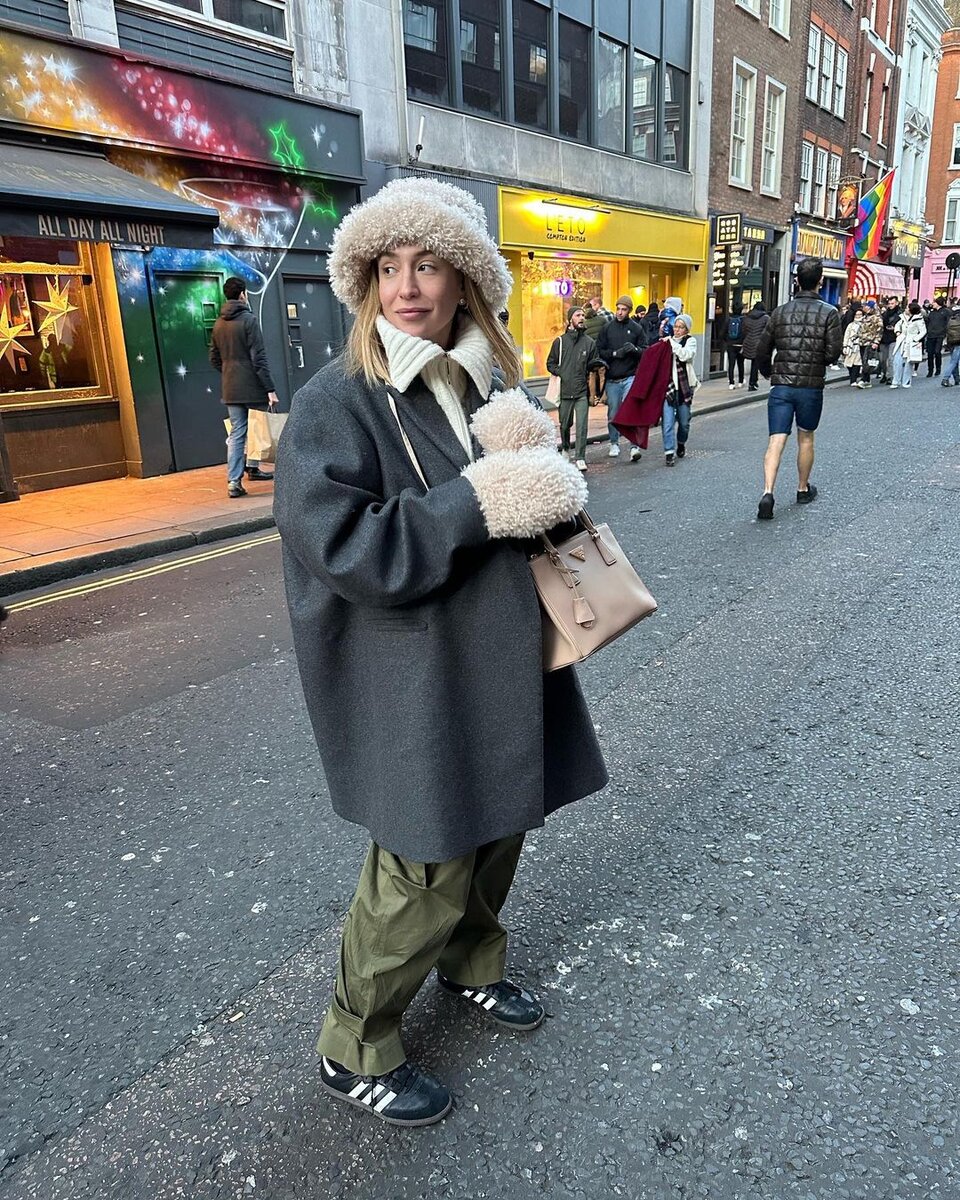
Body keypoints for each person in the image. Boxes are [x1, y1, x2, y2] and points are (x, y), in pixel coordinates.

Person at [274, 178, 607, 1128]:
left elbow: (529, 516)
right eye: (388, 266)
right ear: (365, 279)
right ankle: (356, 1041)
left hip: (502, 661)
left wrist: (542, 476)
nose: (407, 287)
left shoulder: (484, 385)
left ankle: (470, 968)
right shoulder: (336, 400)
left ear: (465, 278)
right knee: (422, 861)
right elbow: (344, 548)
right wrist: (479, 500)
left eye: (426, 264)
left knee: (500, 827)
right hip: (413, 676)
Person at [753, 257, 842, 520]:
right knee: (806, 437)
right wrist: (818, 360)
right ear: (820, 281)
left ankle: (767, 491)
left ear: (796, 280)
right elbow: (833, 351)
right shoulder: (829, 313)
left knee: (776, 440)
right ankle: (802, 488)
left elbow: (762, 349)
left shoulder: (780, 312)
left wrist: (769, 372)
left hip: (781, 385)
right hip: (810, 386)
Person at [209, 277, 279, 498]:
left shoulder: (218, 323)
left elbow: (213, 358)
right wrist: (270, 388)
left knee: (238, 433)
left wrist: (229, 372)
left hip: (230, 387)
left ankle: (234, 480)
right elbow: (259, 358)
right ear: (242, 295)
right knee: (257, 427)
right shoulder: (249, 320)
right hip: (252, 385)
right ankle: (253, 467)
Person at [547, 306, 599, 471]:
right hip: (564, 392)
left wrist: (597, 365)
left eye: (583, 315)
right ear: (570, 320)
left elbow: (593, 364)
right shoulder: (560, 342)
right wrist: (560, 372)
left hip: (581, 392)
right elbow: (550, 363)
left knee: (582, 425)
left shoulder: (589, 343)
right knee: (564, 424)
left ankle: (580, 457)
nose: (582, 317)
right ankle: (565, 448)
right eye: (578, 315)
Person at [596, 295, 645, 462]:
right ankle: (614, 442)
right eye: (618, 308)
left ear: (629, 311)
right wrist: (615, 354)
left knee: (630, 410)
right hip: (612, 378)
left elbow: (645, 351)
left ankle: (633, 445)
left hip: (630, 376)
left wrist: (635, 350)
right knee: (613, 413)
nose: (620, 312)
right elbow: (600, 350)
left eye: (624, 309)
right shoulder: (607, 328)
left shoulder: (637, 329)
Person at [662, 315, 698, 466]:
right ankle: (669, 452)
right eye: (675, 326)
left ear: (687, 329)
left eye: (681, 327)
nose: (677, 330)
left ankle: (681, 442)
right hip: (668, 388)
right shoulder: (666, 342)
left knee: (684, 423)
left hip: (684, 388)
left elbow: (685, 355)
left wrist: (671, 343)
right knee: (668, 422)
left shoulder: (691, 341)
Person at [890, 302, 926, 389]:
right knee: (897, 361)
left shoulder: (919, 320)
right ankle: (895, 381)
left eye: (907, 308)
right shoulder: (902, 317)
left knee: (908, 363)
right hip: (902, 341)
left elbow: (923, 331)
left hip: (911, 342)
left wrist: (915, 339)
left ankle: (906, 381)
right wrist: (898, 332)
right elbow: (897, 325)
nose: (905, 309)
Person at [741, 301, 769, 391]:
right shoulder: (766, 318)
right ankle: (752, 383)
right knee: (755, 364)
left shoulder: (747, 317)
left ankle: (742, 381)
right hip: (759, 343)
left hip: (747, 342)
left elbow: (744, 330)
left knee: (751, 362)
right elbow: (768, 332)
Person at [856, 299, 883, 388]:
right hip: (862, 342)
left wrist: (876, 342)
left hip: (870, 342)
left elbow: (879, 330)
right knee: (864, 361)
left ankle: (864, 379)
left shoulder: (877, 317)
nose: (865, 307)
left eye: (867, 306)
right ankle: (867, 380)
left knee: (867, 361)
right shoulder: (865, 317)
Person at [877, 296, 901, 383]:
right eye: (889, 304)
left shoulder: (900, 314)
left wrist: (895, 328)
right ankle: (884, 374)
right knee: (883, 360)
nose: (890, 305)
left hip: (894, 338)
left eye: (892, 303)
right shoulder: (885, 314)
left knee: (891, 359)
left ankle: (890, 376)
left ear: (897, 303)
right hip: (884, 338)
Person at [924, 296, 948, 378]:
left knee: (937, 352)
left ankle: (938, 368)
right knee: (930, 353)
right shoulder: (932, 312)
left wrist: (945, 333)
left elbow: (948, 323)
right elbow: (928, 321)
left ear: (938, 303)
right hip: (931, 335)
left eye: (934, 302)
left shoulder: (945, 312)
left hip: (940, 335)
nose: (932, 304)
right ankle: (930, 370)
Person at [725, 303, 746, 389]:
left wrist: (727, 341)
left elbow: (722, 333)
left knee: (731, 364)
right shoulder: (744, 320)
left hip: (731, 345)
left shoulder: (729, 320)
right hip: (740, 344)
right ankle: (740, 381)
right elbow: (746, 332)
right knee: (740, 363)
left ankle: (731, 383)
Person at [940, 299, 960, 386]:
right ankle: (945, 378)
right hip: (959, 341)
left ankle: (957, 379)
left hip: (951, 340)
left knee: (954, 361)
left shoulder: (952, 313)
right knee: (953, 361)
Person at [841, 308, 864, 386]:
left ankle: (853, 380)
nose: (858, 316)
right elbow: (846, 336)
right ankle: (852, 376)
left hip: (860, 346)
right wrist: (844, 346)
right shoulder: (851, 325)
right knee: (848, 364)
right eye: (857, 314)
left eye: (860, 314)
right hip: (850, 346)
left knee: (857, 363)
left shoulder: (864, 324)